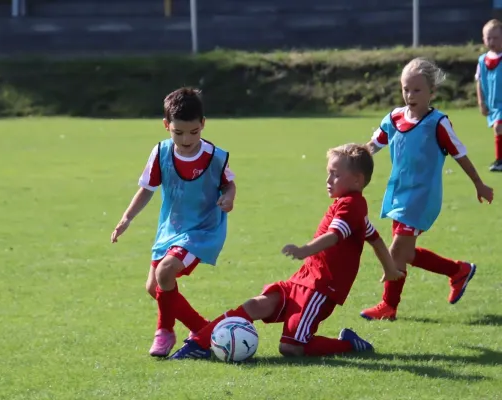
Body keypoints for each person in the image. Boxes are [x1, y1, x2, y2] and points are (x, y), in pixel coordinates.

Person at [170, 143, 404, 359]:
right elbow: (374, 238)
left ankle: (350, 345)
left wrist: (305, 250)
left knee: (291, 347)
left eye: (335, 173)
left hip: (319, 289)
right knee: (255, 305)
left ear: (357, 180)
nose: (328, 179)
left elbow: (334, 236)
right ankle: (199, 343)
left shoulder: (352, 205)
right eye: (329, 172)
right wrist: (390, 269)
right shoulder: (349, 206)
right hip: (302, 280)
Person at [360, 58, 494, 321]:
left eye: (417, 90)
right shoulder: (395, 118)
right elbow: (373, 145)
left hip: (421, 199)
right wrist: (352, 158)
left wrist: (479, 183)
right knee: (406, 253)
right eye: (405, 89)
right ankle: (459, 270)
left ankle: (388, 306)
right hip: (398, 195)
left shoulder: (437, 123)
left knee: (397, 251)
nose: (410, 95)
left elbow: (460, 154)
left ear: (432, 92)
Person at [110, 87, 237, 357]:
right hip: (171, 229)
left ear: (203, 124)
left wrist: (228, 198)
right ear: (166, 125)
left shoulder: (215, 156)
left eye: (193, 132)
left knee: (165, 272)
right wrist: (127, 217)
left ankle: (164, 332)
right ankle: (204, 330)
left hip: (203, 230)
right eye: (178, 132)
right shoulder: (161, 153)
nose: (187, 139)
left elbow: (229, 184)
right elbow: (147, 188)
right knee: (154, 287)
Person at [476, 19, 502, 172]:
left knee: (499, 127)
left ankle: (499, 160)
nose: (491, 41)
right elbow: (479, 81)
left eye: (496, 38)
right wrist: (481, 102)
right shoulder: (482, 60)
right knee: (497, 129)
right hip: (492, 103)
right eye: (488, 38)